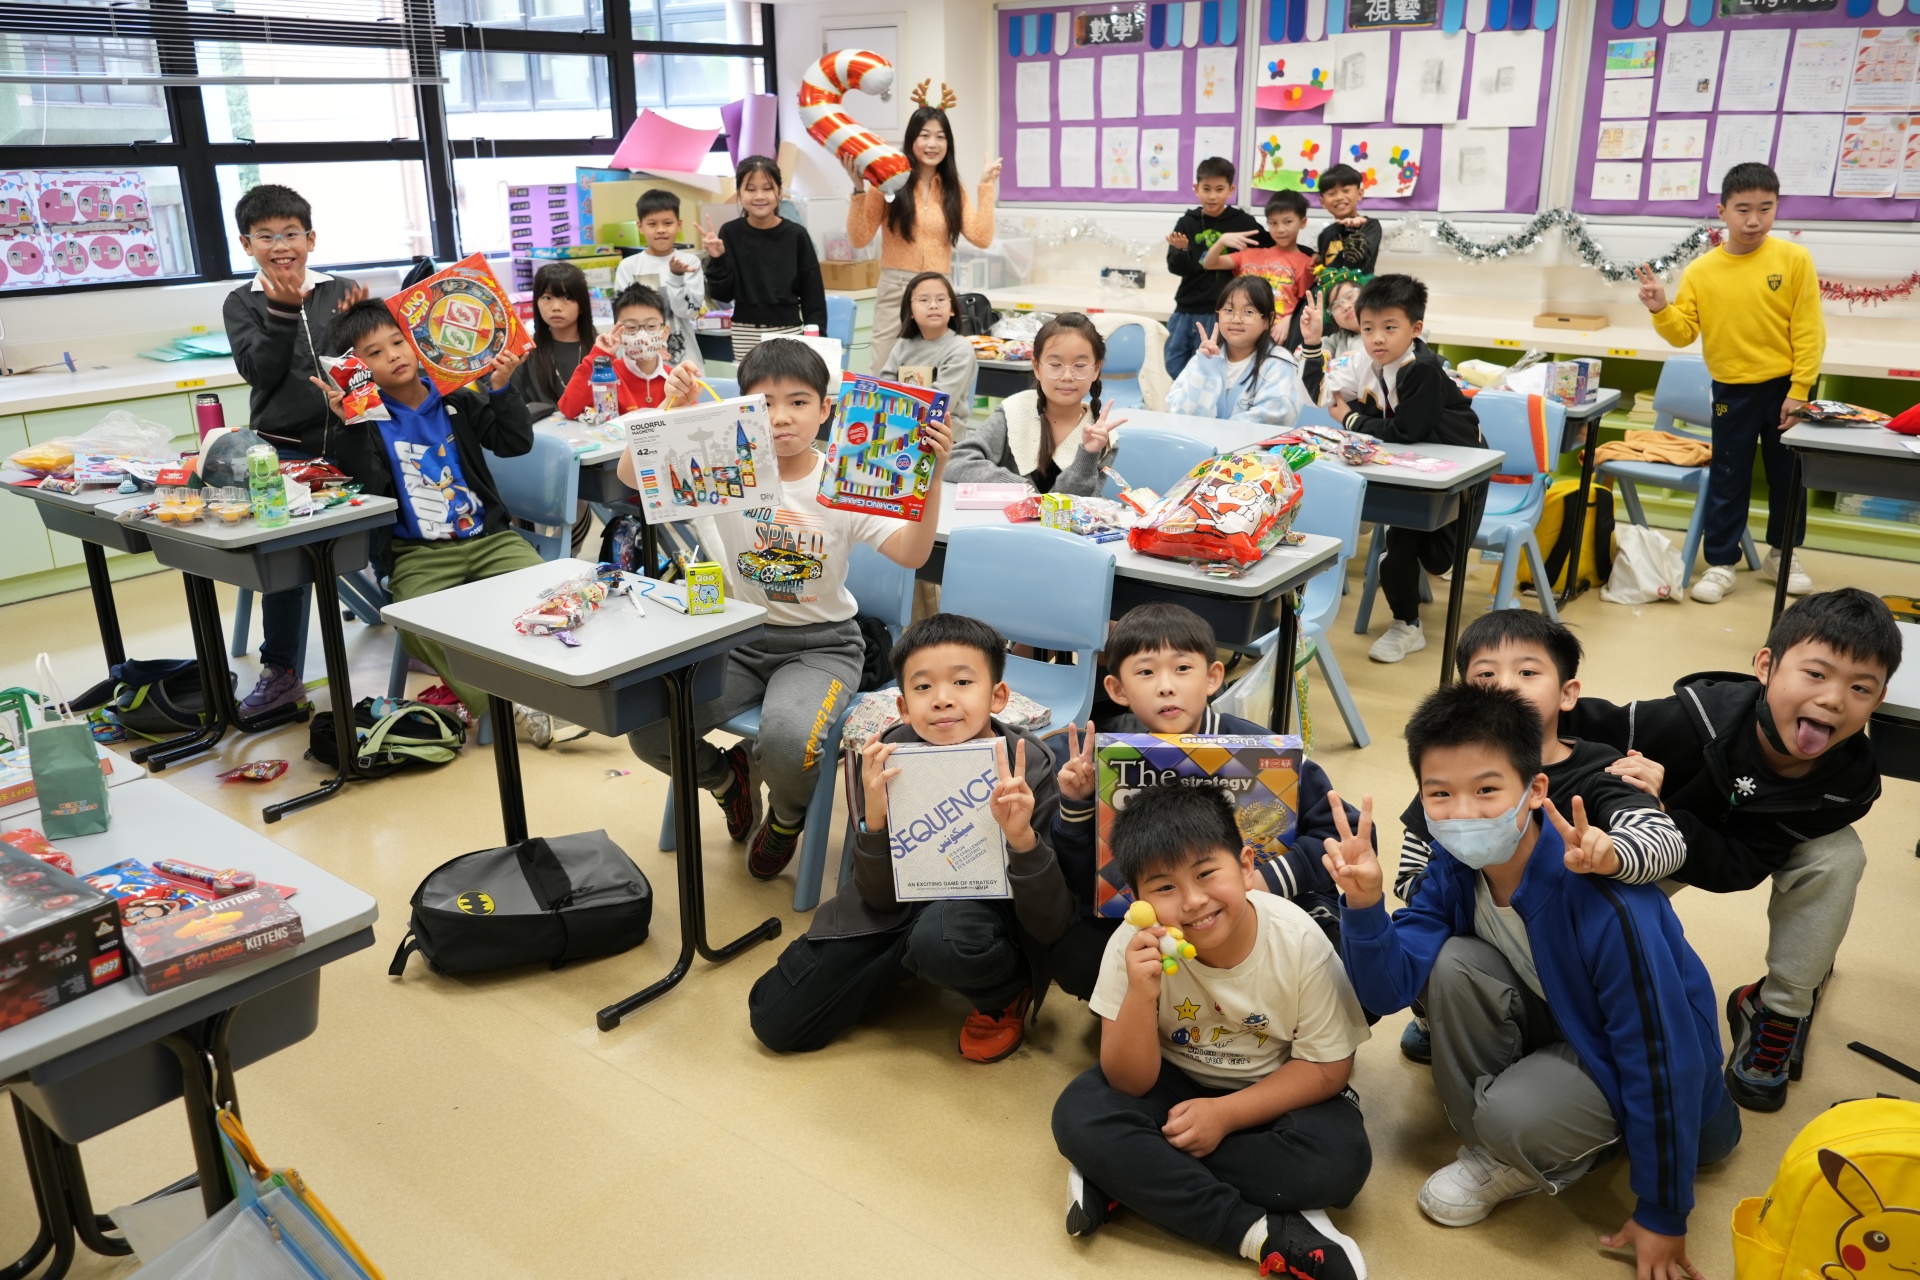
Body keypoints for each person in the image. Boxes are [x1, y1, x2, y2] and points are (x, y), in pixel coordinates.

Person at [1328, 683, 1741, 1279]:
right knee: (1450, 963)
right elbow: (1387, 991)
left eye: (1487, 790)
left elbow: (1658, 1050)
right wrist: (1364, 905)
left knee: (1679, 1132)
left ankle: (1539, 1137)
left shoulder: (1603, 895)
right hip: (1562, 1022)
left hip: (1649, 1053)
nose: (1463, 812)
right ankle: (1512, 1143)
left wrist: (1663, 1211)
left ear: (1536, 789)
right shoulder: (1452, 869)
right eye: (1440, 793)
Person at [617, 340, 950, 877]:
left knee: (789, 743)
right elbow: (631, 475)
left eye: (798, 402)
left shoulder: (843, 480)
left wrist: (930, 479)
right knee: (650, 728)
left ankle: (787, 819)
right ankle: (728, 780)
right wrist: (671, 408)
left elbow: (912, 554)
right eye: (763, 403)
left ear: (825, 409)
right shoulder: (727, 463)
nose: (780, 417)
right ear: (740, 409)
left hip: (823, 645)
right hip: (739, 639)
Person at [1567, 587, 1900, 1113]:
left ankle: (1778, 1010)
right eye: (1816, 674)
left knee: (1838, 856)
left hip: (1707, 844)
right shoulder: (1695, 717)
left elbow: (1738, 866)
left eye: (1860, 687)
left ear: (1877, 702)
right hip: (1648, 839)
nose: (1835, 699)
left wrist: (1668, 813)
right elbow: (1583, 725)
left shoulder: (1847, 787)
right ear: (1766, 666)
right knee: (1578, 902)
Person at [1051, 785, 1371, 1279]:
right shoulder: (1134, 945)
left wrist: (1225, 1114)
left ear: (1245, 866)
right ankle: (1259, 1232)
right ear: (1137, 900)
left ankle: (1126, 1174)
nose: (1193, 901)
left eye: (1205, 874)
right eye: (1164, 888)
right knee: (1078, 1116)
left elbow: (1328, 1068)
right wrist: (1140, 995)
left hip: (1274, 1088)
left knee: (1339, 1163)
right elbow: (1128, 1082)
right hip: (1171, 1081)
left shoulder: (1298, 939)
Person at [746, 613, 1072, 1060]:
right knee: (775, 1019)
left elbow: (1051, 921)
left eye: (962, 682)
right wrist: (875, 822)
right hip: (897, 912)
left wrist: (1022, 840)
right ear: (903, 706)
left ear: (998, 696)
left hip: (985, 917)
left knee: (941, 940)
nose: (942, 700)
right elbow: (878, 897)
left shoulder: (1028, 765)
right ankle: (908, 962)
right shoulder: (888, 756)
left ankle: (1002, 991)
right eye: (923, 687)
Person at [1394, 609, 1690, 1065]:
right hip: (1484, 947)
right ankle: (1449, 1013)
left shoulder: (1601, 768)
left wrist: (1612, 854)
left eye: (1527, 672)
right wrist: (1446, 897)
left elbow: (1667, 843)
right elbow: (1410, 872)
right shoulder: (1452, 774)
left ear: (1568, 693)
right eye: (1486, 674)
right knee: (1430, 940)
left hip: (1571, 954)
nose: (1505, 685)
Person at [1047, 602, 1365, 1001]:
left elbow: (1344, 832)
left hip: (1260, 905)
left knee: (1347, 973)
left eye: (1182, 668)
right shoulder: (1108, 759)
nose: (1166, 686)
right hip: (1165, 912)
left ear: (1213, 677)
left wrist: (1268, 879)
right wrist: (1077, 805)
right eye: (1145, 672)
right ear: (1117, 689)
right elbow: (1086, 876)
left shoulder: (1261, 752)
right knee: (1077, 961)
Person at [307, 301, 559, 742]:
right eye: (374, 353)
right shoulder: (367, 422)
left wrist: (501, 388)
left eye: (398, 342)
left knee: (551, 595)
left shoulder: (456, 399)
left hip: (488, 538)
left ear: (417, 342)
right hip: (416, 552)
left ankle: (555, 685)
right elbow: (369, 488)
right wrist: (350, 424)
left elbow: (514, 443)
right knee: (411, 619)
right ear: (355, 367)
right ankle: (503, 704)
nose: (393, 356)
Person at [1635, 161, 1825, 604]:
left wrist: (1800, 390)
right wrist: (1661, 308)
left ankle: (1783, 552)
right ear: (1722, 212)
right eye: (1743, 210)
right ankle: (1721, 563)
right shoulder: (1702, 271)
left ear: (1777, 208)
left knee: (1789, 476)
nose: (1754, 220)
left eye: (1765, 208)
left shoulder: (1793, 259)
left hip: (1787, 388)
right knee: (1727, 476)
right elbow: (1683, 333)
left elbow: (1809, 330)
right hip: (1732, 389)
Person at [221, 183, 366, 714]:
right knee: (284, 555)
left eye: (290, 233)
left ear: (311, 238)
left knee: (392, 530)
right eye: (265, 236)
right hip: (284, 452)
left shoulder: (339, 290)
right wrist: (282, 312)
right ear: (246, 244)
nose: (280, 245)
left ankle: (415, 631)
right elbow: (259, 372)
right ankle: (281, 671)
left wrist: (368, 321)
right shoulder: (243, 302)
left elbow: (366, 363)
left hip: (354, 441)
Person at [1328, 274, 1486, 665]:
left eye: (1389, 328)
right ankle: (1406, 625)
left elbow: (1405, 431)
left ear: (1415, 329)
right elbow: (1335, 395)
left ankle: (1408, 597)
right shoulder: (1372, 363)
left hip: (1461, 475)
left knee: (1438, 559)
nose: (1377, 339)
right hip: (1414, 471)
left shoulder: (1423, 368)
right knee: (1396, 551)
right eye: (1368, 329)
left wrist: (1349, 419)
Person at [844, 83, 998, 374]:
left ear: (948, 143)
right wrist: (858, 189)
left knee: (931, 368)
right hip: (896, 287)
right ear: (911, 139)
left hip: (937, 292)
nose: (932, 144)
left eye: (940, 137)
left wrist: (986, 186)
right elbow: (859, 238)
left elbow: (982, 237)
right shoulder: (889, 181)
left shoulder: (953, 189)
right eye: (924, 135)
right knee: (883, 365)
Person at [945, 312, 1122, 495]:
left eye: (1079, 366)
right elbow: (954, 461)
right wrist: (1018, 486)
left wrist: (1088, 454)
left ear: (1096, 369)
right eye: (1055, 365)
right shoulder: (1014, 412)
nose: (1067, 376)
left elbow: (1078, 504)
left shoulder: (1103, 437)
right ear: (1037, 367)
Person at [701, 155, 827, 362]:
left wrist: (818, 339)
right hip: (744, 332)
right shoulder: (730, 233)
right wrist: (718, 260)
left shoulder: (796, 235)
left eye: (767, 188)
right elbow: (722, 294)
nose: (759, 196)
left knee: (787, 382)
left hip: (788, 331)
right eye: (750, 189)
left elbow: (813, 295)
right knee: (749, 383)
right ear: (739, 193)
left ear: (779, 192)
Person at [1164, 157, 1270, 380]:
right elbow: (1176, 268)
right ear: (1196, 189)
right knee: (1173, 363)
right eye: (1207, 189)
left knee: (1212, 366)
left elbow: (1272, 244)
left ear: (1231, 190)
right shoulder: (1187, 222)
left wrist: (1306, 253)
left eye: (1219, 189)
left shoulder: (1242, 221)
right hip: (1186, 307)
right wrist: (1181, 250)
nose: (1212, 196)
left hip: (1222, 310)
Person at [1164, 276, 1308, 427]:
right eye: (1228, 310)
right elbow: (1177, 416)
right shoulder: (1204, 359)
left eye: (1248, 312)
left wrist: (1214, 432)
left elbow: (1276, 418)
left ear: (1268, 320)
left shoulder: (1279, 363)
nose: (1236, 319)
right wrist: (1206, 372)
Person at [611, 188, 705, 371]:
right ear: (640, 226)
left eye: (667, 223)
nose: (661, 230)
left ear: (679, 225)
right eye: (652, 224)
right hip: (639, 358)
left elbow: (688, 311)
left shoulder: (689, 262)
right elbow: (623, 317)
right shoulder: (629, 266)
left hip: (683, 357)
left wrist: (677, 277)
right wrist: (653, 346)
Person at [554, 283, 676, 420]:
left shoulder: (674, 378)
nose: (642, 335)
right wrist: (599, 355)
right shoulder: (606, 376)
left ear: (665, 332)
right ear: (618, 331)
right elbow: (569, 408)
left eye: (651, 326)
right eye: (631, 327)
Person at [876, 270, 976, 432]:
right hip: (900, 428)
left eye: (941, 299)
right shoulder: (903, 344)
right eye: (923, 300)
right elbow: (884, 388)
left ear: (952, 309)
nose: (933, 305)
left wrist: (897, 407)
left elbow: (939, 406)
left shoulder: (960, 349)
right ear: (911, 311)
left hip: (941, 435)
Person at [1199, 189, 1316, 320]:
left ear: (1302, 222)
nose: (1280, 229)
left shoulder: (1306, 263)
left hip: (1278, 329)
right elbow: (1209, 264)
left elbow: (1307, 304)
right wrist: (1221, 241)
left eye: (1288, 222)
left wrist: (1289, 321)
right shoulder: (1249, 254)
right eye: (1273, 223)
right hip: (1241, 323)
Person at [510, 261, 596, 423]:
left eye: (567, 298)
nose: (556, 307)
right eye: (547, 297)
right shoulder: (525, 354)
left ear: (582, 305)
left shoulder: (601, 350)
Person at [1294, 269, 1369, 400]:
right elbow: (1298, 359)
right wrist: (1312, 341)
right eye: (1336, 306)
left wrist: (1363, 359)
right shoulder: (1338, 339)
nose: (1345, 306)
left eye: (1350, 297)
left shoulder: (1388, 330)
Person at [1312, 165, 1380, 276]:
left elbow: (1360, 265)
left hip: (1358, 286)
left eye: (1346, 190)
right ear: (1322, 202)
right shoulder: (1325, 234)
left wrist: (1352, 231)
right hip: (1330, 287)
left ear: (1359, 194)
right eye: (1331, 194)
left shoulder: (1370, 226)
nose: (1339, 197)